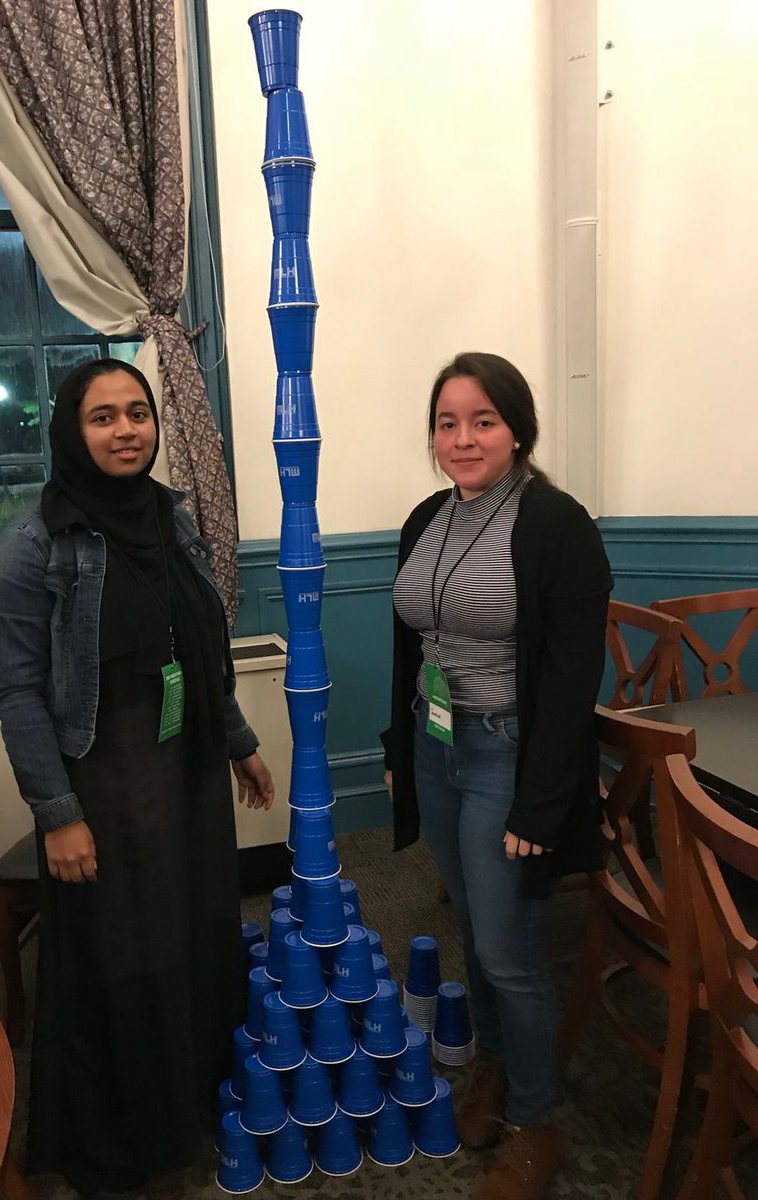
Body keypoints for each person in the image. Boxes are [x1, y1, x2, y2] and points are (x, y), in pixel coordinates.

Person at [0, 359, 274, 1199]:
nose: (126, 431)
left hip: (186, 769)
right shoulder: (36, 545)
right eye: (103, 416)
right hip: (103, 781)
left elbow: (199, 651)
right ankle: (122, 1147)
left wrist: (238, 741)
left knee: (194, 937)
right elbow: (18, 693)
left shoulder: (169, 519)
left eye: (138, 413)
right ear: (71, 432)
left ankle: (191, 1109)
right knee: (122, 960)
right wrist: (58, 814)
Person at [381, 352, 611, 1200]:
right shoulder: (426, 518)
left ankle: (538, 1123)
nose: (464, 438)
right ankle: (496, 1068)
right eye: (448, 423)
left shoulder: (556, 524)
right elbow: (413, 648)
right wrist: (400, 752)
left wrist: (540, 803)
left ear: (518, 430)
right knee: (476, 928)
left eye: (484, 421)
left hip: (509, 755)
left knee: (510, 951)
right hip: (436, 745)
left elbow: (573, 677)